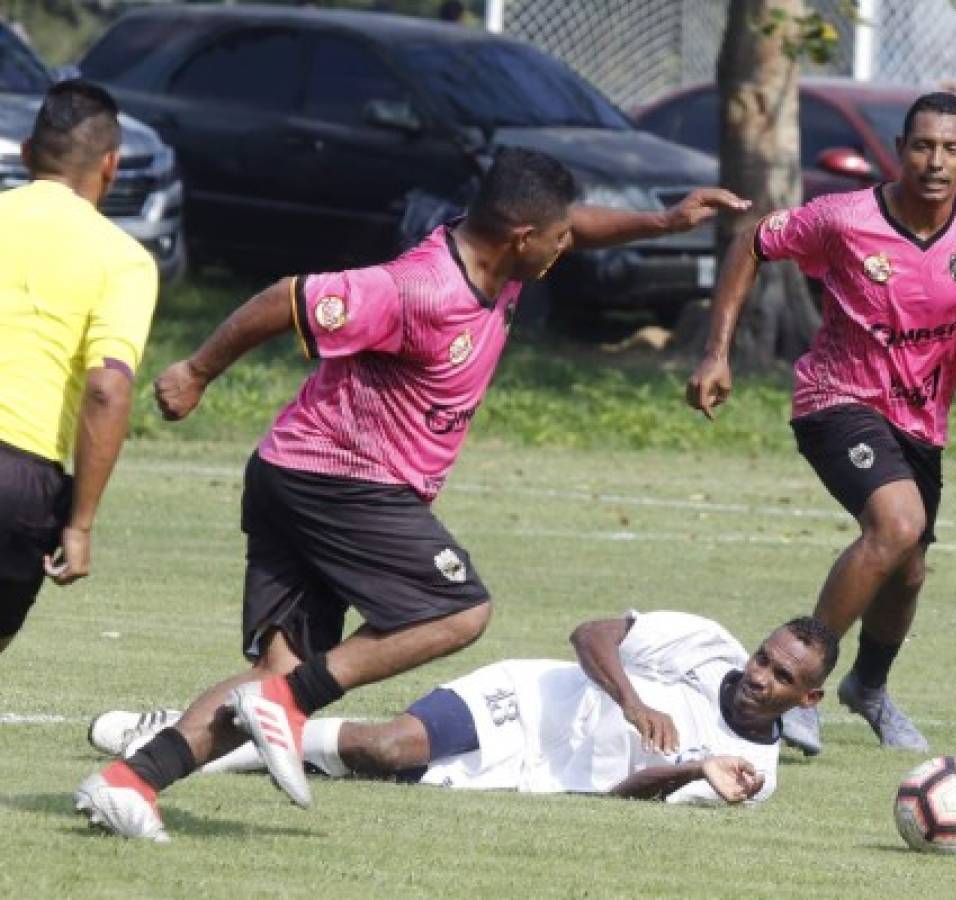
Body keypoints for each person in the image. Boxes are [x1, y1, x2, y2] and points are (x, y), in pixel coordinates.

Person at [74, 146, 749, 841]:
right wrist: (196, 369)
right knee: (459, 611)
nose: (566, 245)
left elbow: (578, 222)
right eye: (556, 238)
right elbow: (289, 297)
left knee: (277, 674)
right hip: (336, 480)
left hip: (300, 474)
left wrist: (665, 222)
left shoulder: (504, 255)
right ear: (522, 237)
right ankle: (284, 703)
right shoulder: (417, 288)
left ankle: (130, 781)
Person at [686, 93, 956, 757]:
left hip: (921, 424)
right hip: (836, 399)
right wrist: (716, 353)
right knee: (897, 525)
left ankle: (870, 689)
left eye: (949, 149)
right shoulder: (846, 217)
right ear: (899, 150)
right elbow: (752, 241)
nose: (934, 161)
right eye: (921, 146)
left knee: (907, 568)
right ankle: (799, 684)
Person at [88, 610, 839, 814]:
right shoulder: (708, 645)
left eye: (779, 678)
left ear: (808, 701)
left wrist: (690, 768)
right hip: (523, 701)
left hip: (537, 775)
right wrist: (632, 699)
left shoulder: (752, 775)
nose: (756, 674)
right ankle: (182, 736)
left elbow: (620, 796)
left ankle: (217, 734)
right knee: (389, 747)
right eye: (763, 658)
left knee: (369, 772)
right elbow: (592, 634)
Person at [0, 80, 158, 655]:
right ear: (110, 166)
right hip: (18, 479)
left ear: (24, 153)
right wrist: (80, 524)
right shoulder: (122, 260)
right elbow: (106, 390)